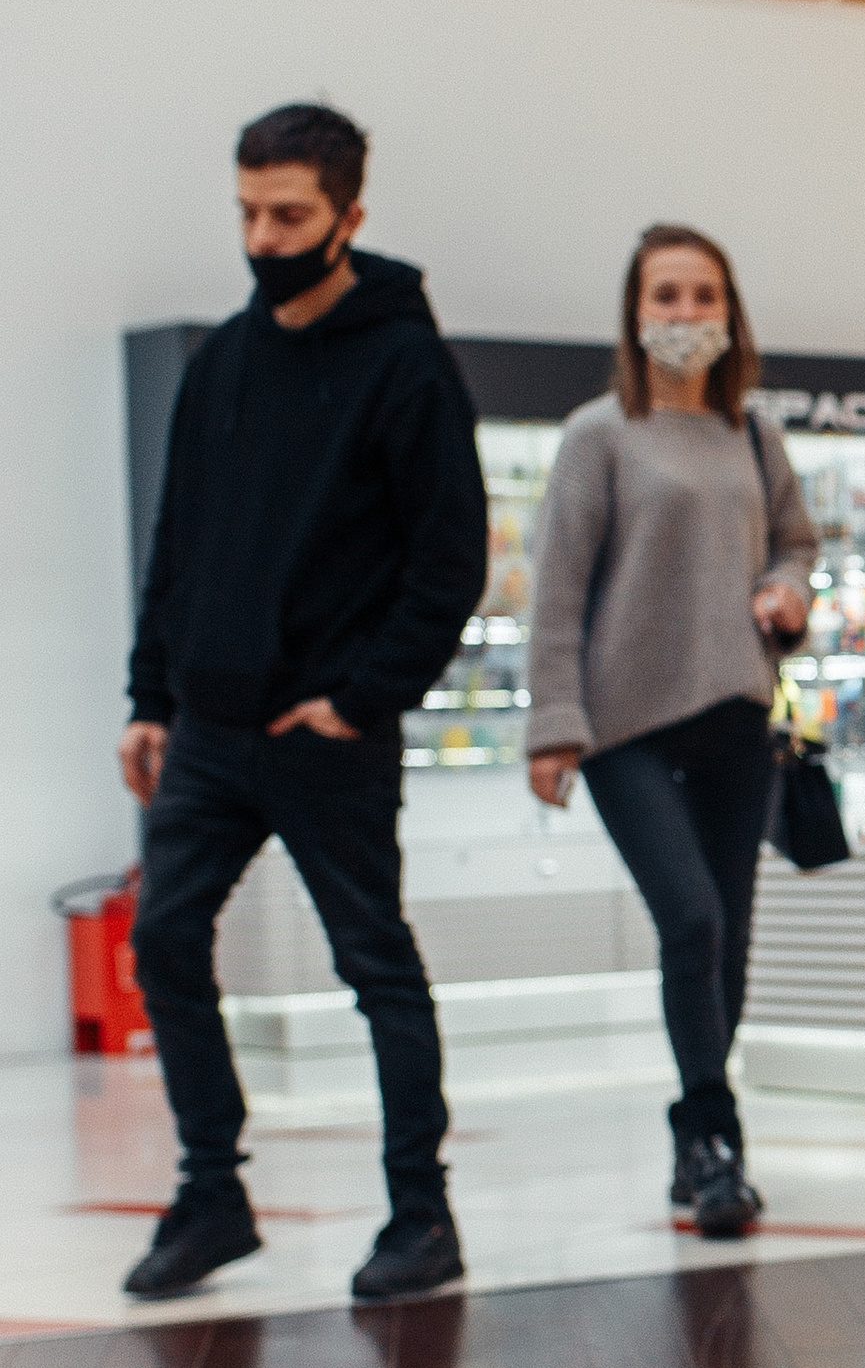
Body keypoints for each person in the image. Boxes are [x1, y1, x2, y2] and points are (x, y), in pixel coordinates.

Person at [119, 102, 488, 1303]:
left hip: (326, 735)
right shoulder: (221, 360)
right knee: (164, 939)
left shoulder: (405, 363)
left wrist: (361, 697)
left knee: (373, 963)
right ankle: (211, 1195)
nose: (264, 236)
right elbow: (176, 543)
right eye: (248, 213)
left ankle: (420, 1217)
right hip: (211, 730)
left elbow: (450, 561)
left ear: (349, 217)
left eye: (290, 215)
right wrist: (149, 697)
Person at [525, 224, 814, 1242]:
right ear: (635, 312)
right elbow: (556, 586)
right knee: (688, 921)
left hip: (734, 711)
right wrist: (550, 727)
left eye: (701, 295)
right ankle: (711, 1131)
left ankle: (703, 1148)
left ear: (726, 312)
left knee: (725, 937)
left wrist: (785, 587)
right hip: (623, 725)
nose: (684, 313)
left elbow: (795, 540)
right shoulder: (599, 433)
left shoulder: (751, 433)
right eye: (666, 295)